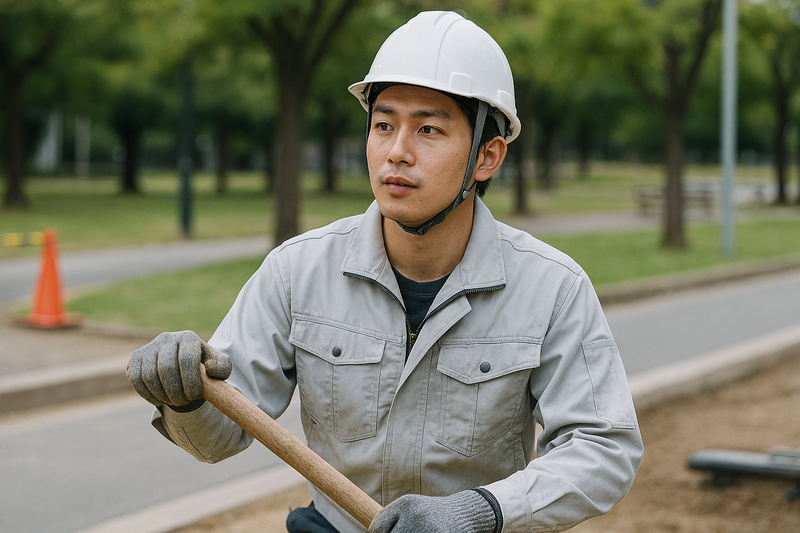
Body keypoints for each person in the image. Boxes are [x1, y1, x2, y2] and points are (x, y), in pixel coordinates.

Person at [127, 11, 643, 533]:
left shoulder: (552, 288)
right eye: (383, 125)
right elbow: (216, 439)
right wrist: (185, 396)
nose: (397, 151)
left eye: (428, 129)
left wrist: (478, 513)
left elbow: (604, 449)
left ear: (487, 156)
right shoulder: (297, 271)